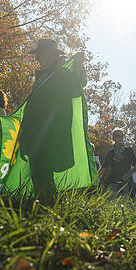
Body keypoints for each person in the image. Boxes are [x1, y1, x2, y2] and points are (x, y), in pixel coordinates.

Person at [17, 38, 88, 200]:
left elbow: (79, 84)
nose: (37, 59)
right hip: (35, 129)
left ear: (50, 54)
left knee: (43, 165)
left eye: (39, 54)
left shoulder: (63, 71)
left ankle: (48, 205)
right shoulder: (42, 77)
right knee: (37, 167)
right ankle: (45, 204)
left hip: (52, 128)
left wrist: (77, 64)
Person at [98, 128, 136, 197]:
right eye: (117, 135)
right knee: (112, 201)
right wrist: (96, 177)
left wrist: (130, 173)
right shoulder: (111, 152)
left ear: (123, 137)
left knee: (126, 202)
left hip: (126, 181)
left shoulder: (129, 150)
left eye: (121, 135)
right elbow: (104, 167)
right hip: (113, 181)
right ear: (113, 138)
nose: (119, 137)